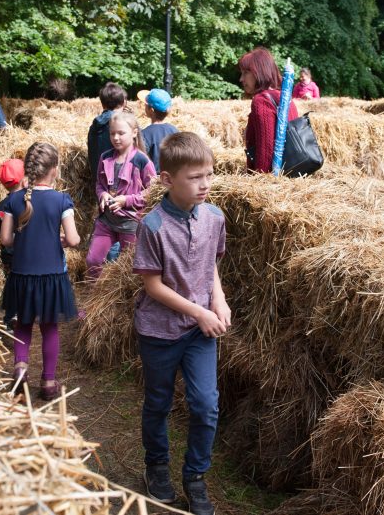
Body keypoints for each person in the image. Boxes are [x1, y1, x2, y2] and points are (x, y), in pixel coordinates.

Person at [132, 132, 228, 515]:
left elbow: (211, 266)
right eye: (194, 177)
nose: (204, 184)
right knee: (158, 402)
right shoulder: (153, 226)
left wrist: (217, 300)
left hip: (198, 332)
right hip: (159, 331)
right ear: (168, 180)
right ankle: (156, 464)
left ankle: (195, 476)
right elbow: (151, 285)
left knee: (206, 405)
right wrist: (200, 311)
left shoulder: (215, 217)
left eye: (208, 175)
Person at [0, 142, 80, 400]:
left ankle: (21, 368)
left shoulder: (14, 199)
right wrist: (63, 241)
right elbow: (74, 239)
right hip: (51, 276)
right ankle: (48, 381)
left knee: (22, 323)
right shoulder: (61, 200)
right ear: (54, 170)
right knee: (49, 327)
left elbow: (6, 240)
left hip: (22, 275)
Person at [85, 111, 156, 279]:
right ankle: (94, 297)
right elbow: (100, 184)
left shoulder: (142, 160)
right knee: (93, 260)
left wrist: (127, 200)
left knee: (129, 266)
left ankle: (126, 300)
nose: (116, 138)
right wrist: (102, 194)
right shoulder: (105, 157)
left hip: (130, 222)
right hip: (107, 220)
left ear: (134, 133)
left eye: (121, 133)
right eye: (112, 133)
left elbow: (153, 191)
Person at [240, 47, 298, 173]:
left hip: (272, 185)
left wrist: (259, 184)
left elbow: (265, 155)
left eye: (245, 73)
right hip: (289, 178)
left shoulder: (261, 101)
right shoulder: (284, 96)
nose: (241, 79)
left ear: (258, 72)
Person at [0, 158, 26, 276]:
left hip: (10, 257)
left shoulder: (1, 206)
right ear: (24, 178)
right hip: (30, 254)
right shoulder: (32, 201)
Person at [87, 82, 128, 184]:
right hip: (121, 182)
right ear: (124, 102)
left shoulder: (94, 126)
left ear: (102, 104)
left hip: (99, 183)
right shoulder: (124, 123)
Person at [139, 88, 180, 172]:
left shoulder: (144, 134)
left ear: (151, 110)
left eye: (146, 105)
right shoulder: (174, 130)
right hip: (173, 178)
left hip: (154, 180)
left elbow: (141, 162)